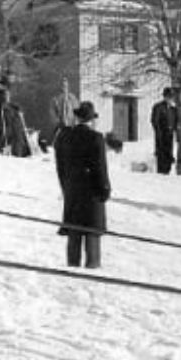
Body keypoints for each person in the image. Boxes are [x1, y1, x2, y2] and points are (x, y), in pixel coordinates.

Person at [54, 101, 111, 268]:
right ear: (92, 120)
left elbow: (60, 166)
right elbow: (100, 168)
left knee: (74, 233)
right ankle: (92, 269)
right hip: (92, 193)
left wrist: (66, 186)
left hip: (72, 191)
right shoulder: (96, 138)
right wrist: (104, 190)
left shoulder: (65, 136)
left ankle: (72, 267)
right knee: (92, 234)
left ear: (77, 117)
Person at [150, 87, 179, 175]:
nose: (170, 99)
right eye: (168, 97)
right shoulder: (158, 107)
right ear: (165, 97)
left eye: (171, 97)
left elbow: (176, 121)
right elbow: (155, 120)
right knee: (161, 155)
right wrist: (159, 132)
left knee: (168, 155)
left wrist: (174, 129)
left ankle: (167, 170)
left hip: (170, 135)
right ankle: (161, 171)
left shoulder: (173, 109)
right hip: (161, 134)